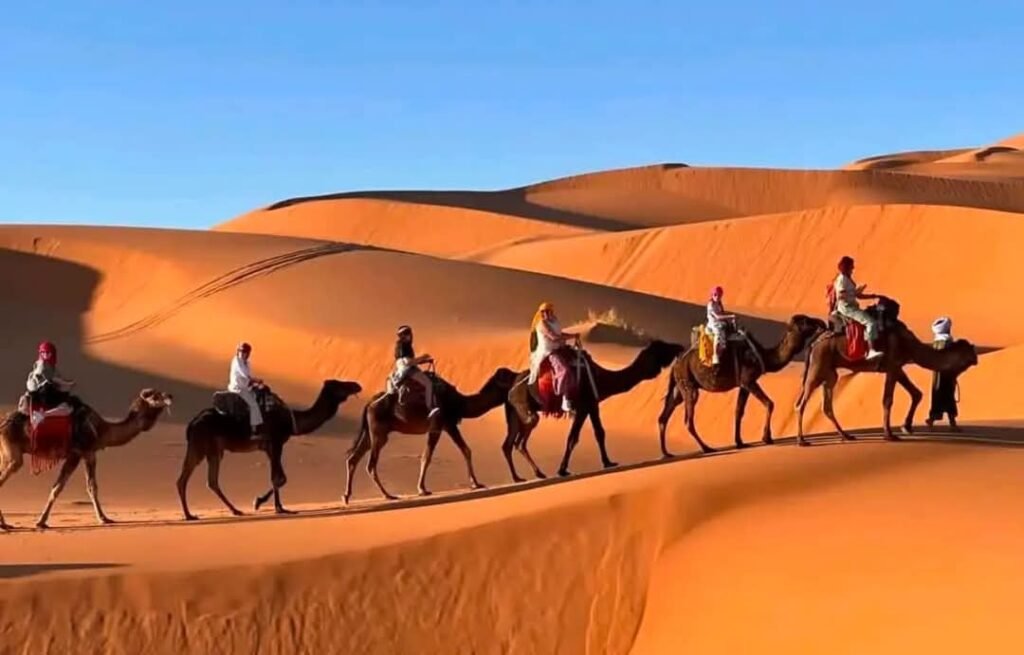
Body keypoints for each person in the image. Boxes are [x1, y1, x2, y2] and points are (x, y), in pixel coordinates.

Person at [528, 302, 579, 413]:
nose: (545, 314)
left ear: (552, 311)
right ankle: (563, 398)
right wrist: (572, 336)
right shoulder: (542, 324)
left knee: (580, 361)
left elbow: (559, 333)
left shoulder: (554, 320)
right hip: (549, 352)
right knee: (564, 371)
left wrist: (571, 336)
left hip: (559, 348)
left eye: (547, 311)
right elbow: (554, 337)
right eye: (543, 312)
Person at [834, 256, 883, 361]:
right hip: (847, 308)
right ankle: (871, 350)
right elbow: (841, 295)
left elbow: (857, 296)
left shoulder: (847, 278)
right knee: (871, 323)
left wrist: (872, 296)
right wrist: (854, 293)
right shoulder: (842, 279)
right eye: (851, 265)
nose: (853, 267)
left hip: (852, 306)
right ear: (846, 267)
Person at [391, 325, 440, 419]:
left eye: (410, 333)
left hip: (409, 368)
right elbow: (408, 362)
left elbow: (412, 361)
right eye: (408, 334)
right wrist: (423, 357)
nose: (410, 336)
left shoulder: (406, 345)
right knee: (428, 383)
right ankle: (430, 408)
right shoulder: (402, 345)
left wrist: (424, 361)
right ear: (403, 335)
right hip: (407, 370)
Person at [23, 341, 76, 420]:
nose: (45, 355)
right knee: (67, 408)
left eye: (48, 353)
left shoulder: (47, 366)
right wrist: (66, 383)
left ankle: (42, 414)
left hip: (43, 393)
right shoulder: (42, 365)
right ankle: (43, 415)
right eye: (43, 352)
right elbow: (52, 379)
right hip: (43, 394)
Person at [926, 317, 959, 430]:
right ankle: (952, 424)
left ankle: (932, 419)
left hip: (938, 374)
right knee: (949, 396)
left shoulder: (936, 342)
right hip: (947, 374)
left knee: (937, 395)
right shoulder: (947, 342)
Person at [228, 342, 264, 434]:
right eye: (242, 351)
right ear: (238, 351)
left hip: (245, 387)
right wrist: (256, 380)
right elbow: (245, 374)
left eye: (246, 352)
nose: (244, 354)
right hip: (237, 389)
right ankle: (254, 430)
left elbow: (247, 377)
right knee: (253, 405)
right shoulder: (237, 361)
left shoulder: (246, 363)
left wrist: (252, 384)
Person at [706, 286, 736, 366]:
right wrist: (730, 316)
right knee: (718, 334)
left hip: (721, 322)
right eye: (715, 295)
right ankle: (715, 355)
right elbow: (717, 316)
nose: (717, 296)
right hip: (713, 324)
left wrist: (730, 319)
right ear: (712, 295)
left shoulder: (719, 303)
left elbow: (722, 313)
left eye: (719, 295)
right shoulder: (711, 304)